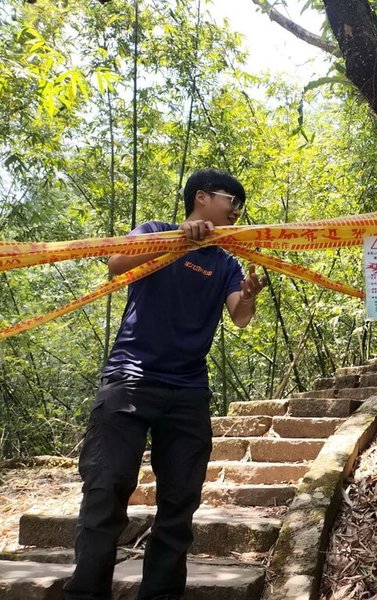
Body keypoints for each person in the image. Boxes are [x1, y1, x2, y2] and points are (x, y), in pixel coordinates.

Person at [63, 169, 265, 600]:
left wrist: (247, 296)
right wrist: (177, 243)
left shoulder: (227, 262)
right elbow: (115, 264)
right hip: (129, 381)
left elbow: (240, 316)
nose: (237, 210)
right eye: (232, 200)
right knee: (105, 490)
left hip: (188, 391)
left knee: (180, 502)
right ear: (203, 197)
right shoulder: (155, 232)